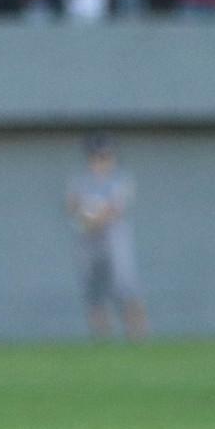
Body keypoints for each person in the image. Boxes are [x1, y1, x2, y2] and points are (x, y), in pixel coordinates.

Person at [65, 135, 148, 339]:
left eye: (105, 156)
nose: (100, 161)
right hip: (87, 241)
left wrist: (92, 219)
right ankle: (102, 337)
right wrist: (85, 218)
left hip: (114, 239)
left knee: (125, 286)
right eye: (96, 156)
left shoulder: (120, 180)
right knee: (93, 290)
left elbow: (115, 209)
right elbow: (72, 205)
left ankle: (138, 335)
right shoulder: (80, 181)